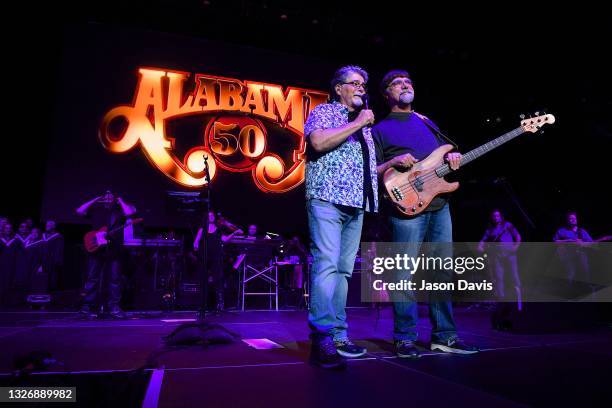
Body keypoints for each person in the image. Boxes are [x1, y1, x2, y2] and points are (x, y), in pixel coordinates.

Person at [372, 69, 478, 358]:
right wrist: (393, 161)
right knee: (403, 274)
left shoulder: (427, 122)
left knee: (442, 273)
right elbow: (371, 171)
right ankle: (404, 337)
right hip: (405, 208)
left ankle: (445, 336)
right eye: (397, 83)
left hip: (439, 205)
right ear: (387, 94)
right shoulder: (379, 130)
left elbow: (444, 156)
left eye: (408, 82)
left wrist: (453, 157)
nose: (405, 85)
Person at [304, 65, 378, 368]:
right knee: (326, 264)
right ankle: (320, 337)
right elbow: (318, 143)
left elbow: (358, 167)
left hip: (356, 204)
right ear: (339, 88)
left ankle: (338, 334)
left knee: (344, 271)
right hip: (327, 199)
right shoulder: (324, 112)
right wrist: (358, 122)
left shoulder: (366, 127)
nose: (361, 88)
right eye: (355, 83)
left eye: (364, 84)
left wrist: (392, 165)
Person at [76, 191, 136, 318]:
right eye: (106, 196)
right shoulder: (97, 210)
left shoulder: (119, 211)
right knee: (92, 278)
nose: (108, 198)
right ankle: (86, 308)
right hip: (97, 249)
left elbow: (130, 213)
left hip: (114, 250)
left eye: (111, 196)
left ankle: (114, 308)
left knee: (114, 279)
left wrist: (120, 200)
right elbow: (80, 211)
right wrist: (94, 199)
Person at [194, 211, 243, 312]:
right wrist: (196, 246)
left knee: (218, 280)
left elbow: (224, 240)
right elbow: (196, 242)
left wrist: (234, 233)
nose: (211, 217)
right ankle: (202, 305)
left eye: (212, 215)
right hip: (205, 257)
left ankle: (219, 306)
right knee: (203, 280)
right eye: (209, 215)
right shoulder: (202, 229)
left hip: (216, 257)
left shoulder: (218, 229)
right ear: (206, 217)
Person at [478, 209, 522, 302]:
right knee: (499, 276)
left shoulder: (508, 225)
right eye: (494, 216)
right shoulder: (490, 229)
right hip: (498, 255)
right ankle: (501, 298)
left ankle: (519, 295)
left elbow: (518, 236)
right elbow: (483, 240)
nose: (496, 218)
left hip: (510, 254)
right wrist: (480, 246)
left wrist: (516, 246)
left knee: (514, 274)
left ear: (501, 217)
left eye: (497, 216)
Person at [553, 212, 593, 291]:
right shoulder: (562, 230)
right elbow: (555, 241)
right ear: (567, 221)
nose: (573, 220)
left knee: (585, 270)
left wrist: (582, 243)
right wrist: (568, 240)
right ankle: (567, 291)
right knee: (570, 273)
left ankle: (586, 289)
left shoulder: (582, 231)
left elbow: (591, 243)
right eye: (571, 218)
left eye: (574, 218)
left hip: (580, 254)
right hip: (568, 256)